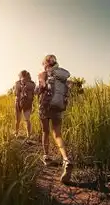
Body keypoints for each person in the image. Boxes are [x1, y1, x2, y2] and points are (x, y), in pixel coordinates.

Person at [37, 54, 73, 184]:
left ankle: (46, 157)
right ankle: (66, 159)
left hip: (45, 107)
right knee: (58, 134)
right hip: (58, 107)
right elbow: (67, 91)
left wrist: (39, 85)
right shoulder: (62, 76)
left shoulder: (43, 74)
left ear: (46, 64)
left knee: (45, 131)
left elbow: (39, 89)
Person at [14, 70, 36, 138]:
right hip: (25, 103)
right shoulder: (32, 84)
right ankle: (27, 135)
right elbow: (34, 94)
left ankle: (17, 133)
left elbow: (15, 93)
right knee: (26, 119)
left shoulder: (18, 83)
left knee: (19, 120)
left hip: (21, 102)